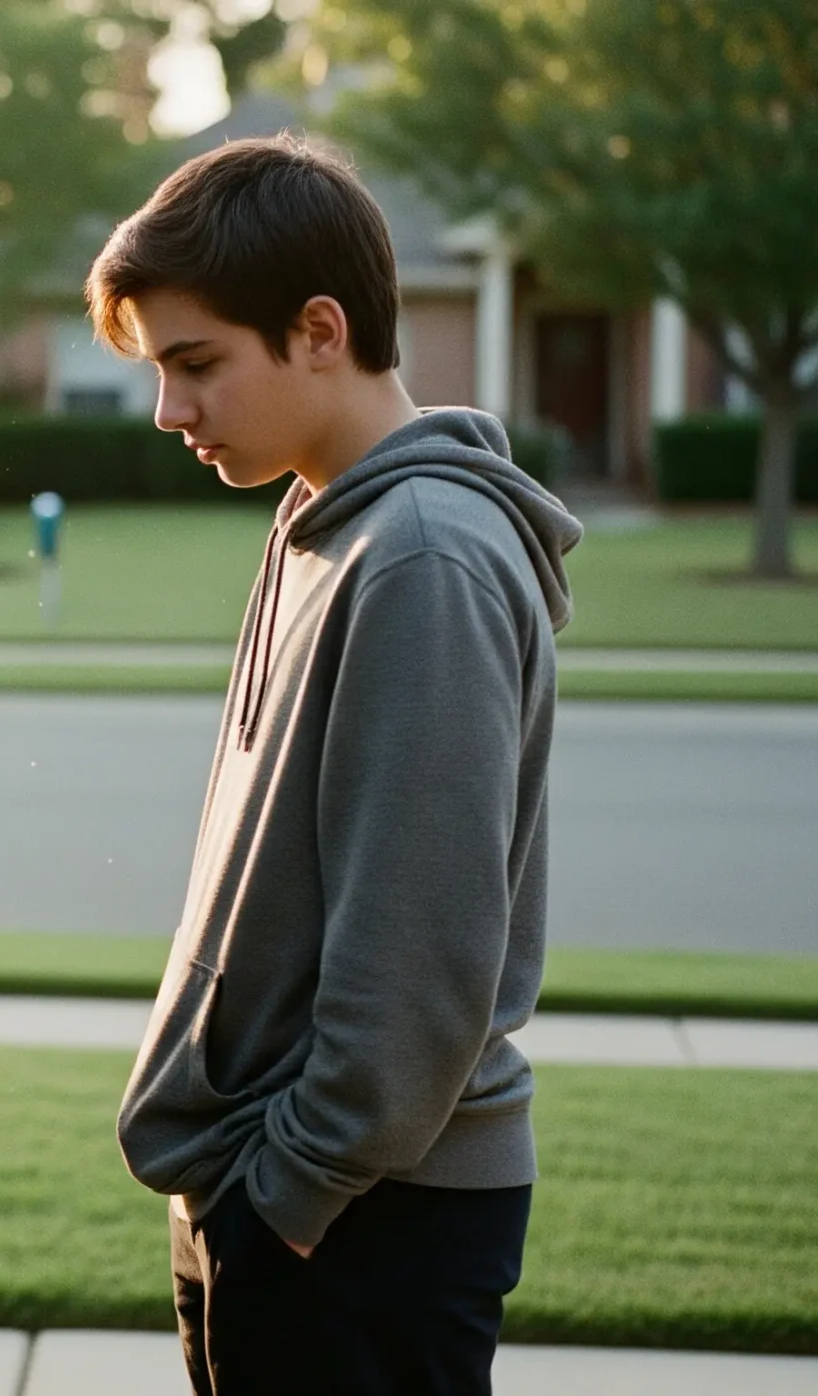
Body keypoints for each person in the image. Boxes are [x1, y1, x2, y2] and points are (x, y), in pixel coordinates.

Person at [89, 136, 583, 1395]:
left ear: (319, 329)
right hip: (279, 1183)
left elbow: (420, 950)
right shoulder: (324, 515)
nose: (168, 411)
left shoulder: (422, 552)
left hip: (361, 1214)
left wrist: (288, 1199)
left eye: (195, 363)